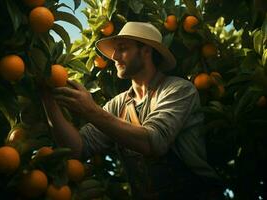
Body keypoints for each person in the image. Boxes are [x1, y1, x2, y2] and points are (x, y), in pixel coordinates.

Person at [42, 22, 224, 200]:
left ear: (146, 50)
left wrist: (90, 110)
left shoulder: (179, 89)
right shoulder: (118, 104)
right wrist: (48, 100)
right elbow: (77, 148)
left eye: (122, 48)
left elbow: (154, 142)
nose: (114, 56)